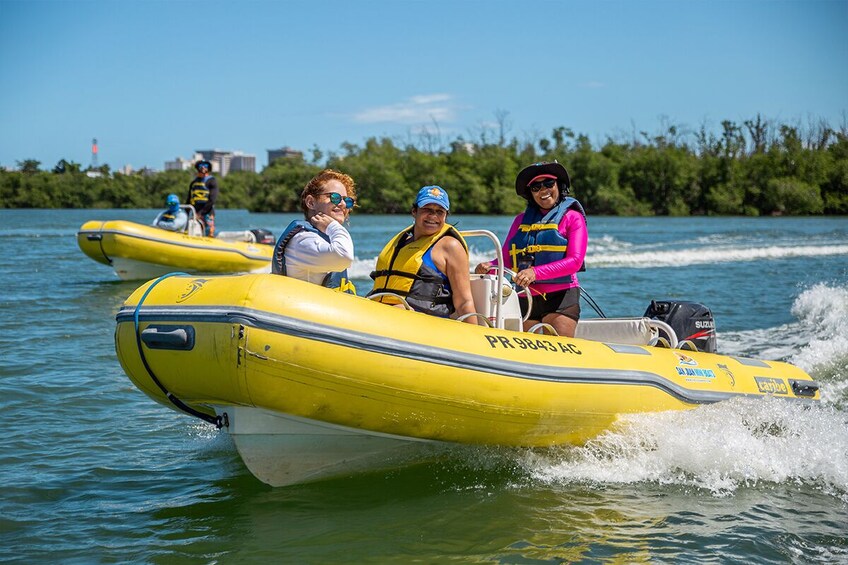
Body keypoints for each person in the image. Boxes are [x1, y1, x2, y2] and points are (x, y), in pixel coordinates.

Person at [474, 161, 587, 337]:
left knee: (559, 352)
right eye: (536, 187)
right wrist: (491, 265)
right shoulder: (520, 220)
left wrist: (535, 272)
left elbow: (575, 262)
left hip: (561, 297)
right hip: (525, 297)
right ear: (530, 193)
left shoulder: (573, 218)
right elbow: (507, 258)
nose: (543, 190)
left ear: (559, 185)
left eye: (549, 184)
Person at [369, 185, 477, 324]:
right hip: (384, 315)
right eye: (427, 210)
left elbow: (464, 301)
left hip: (425, 325)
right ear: (414, 211)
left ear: (445, 216)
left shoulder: (451, 246)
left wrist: (475, 336)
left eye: (440, 211)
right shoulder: (402, 243)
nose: (433, 216)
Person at [271, 169, 357, 294]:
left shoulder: (327, 238)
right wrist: (333, 227)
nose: (343, 204)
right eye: (335, 197)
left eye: (347, 200)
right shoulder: (303, 241)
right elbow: (344, 257)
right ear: (311, 202)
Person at [186, 160, 218, 237]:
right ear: (197, 168)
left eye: (205, 166)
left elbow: (212, 200)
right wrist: (186, 213)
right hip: (195, 211)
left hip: (207, 211)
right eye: (201, 166)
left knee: (209, 230)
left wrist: (201, 213)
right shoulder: (193, 183)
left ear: (208, 169)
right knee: (192, 229)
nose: (203, 168)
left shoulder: (212, 181)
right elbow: (189, 199)